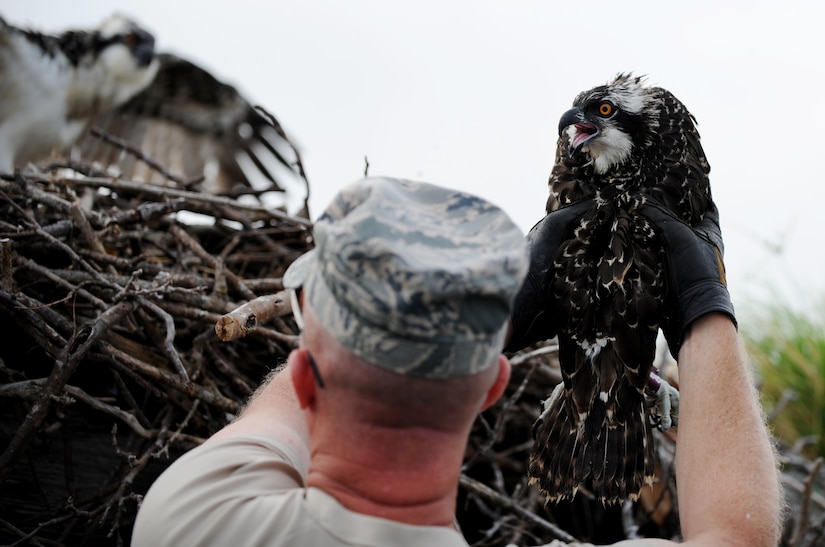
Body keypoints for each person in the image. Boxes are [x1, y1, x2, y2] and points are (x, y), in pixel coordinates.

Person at [131, 177, 782, 546]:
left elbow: (292, 399)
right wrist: (702, 301)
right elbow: (736, 535)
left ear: (303, 378)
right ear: (493, 385)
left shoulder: (190, 517)